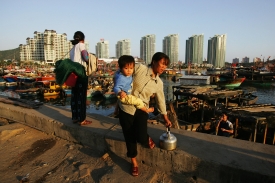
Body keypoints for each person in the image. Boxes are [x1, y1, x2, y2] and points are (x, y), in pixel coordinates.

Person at [118, 52, 172, 176]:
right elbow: (125, 69)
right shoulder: (140, 69)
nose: (164, 67)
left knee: (142, 137)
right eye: (162, 64)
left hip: (142, 108)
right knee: (129, 135)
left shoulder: (159, 83)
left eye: (166, 65)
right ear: (153, 61)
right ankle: (134, 162)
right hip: (126, 107)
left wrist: (165, 117)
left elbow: (161, 100)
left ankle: (146, 137)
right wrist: (119, 88)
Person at [69, 31, 91, 126]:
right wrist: (90, 58)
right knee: (81, 97)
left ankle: (75, 117)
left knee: (74, 96)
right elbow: (86, 57)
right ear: (83, 39)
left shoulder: (72, 48)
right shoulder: (81, 45)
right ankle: (82, 119)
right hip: (81, 74)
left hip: (73, 75)